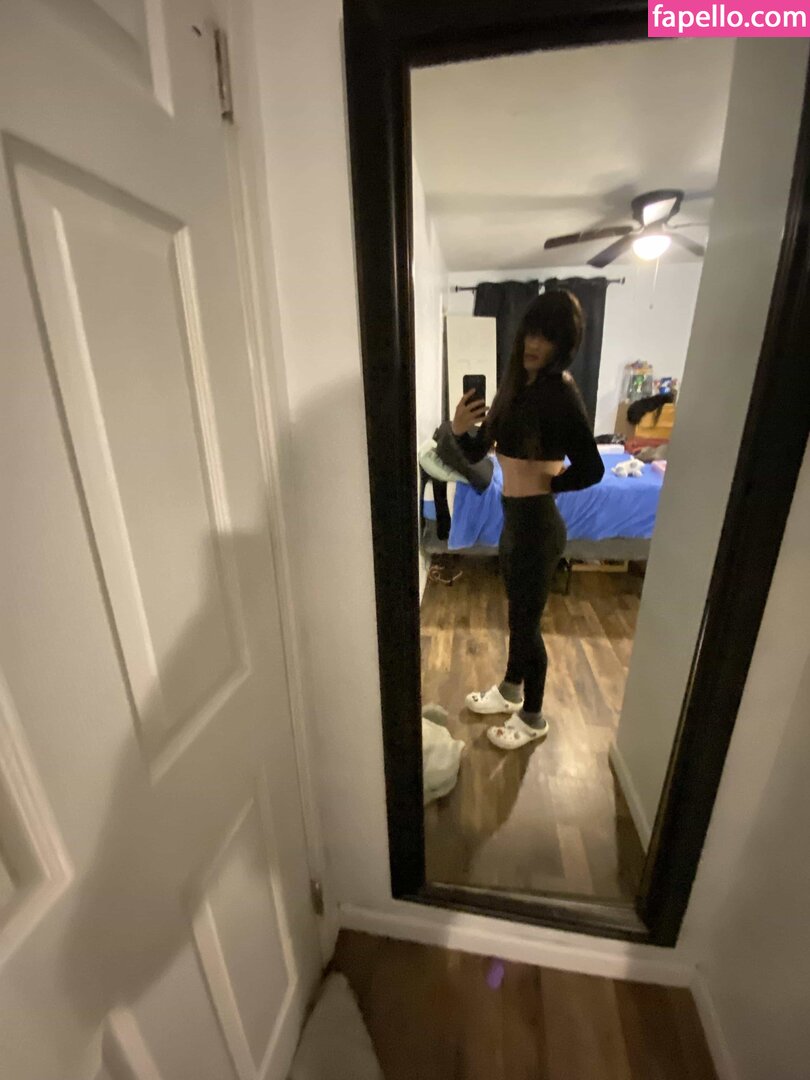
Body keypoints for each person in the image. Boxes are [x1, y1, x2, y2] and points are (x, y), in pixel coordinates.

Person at [450, 291, 604, 750]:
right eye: (532, 333)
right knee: (517, 617)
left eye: (548, 337)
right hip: (514, 521)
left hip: (538, 526)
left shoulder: (560, 393)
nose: (535, 344)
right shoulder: (515, 387)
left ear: (564, 345)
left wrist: (552, 482)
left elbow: (592, 467)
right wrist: (459, 428)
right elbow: (477, 451)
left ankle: (533, 717)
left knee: (526, 625)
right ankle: (511, 690)